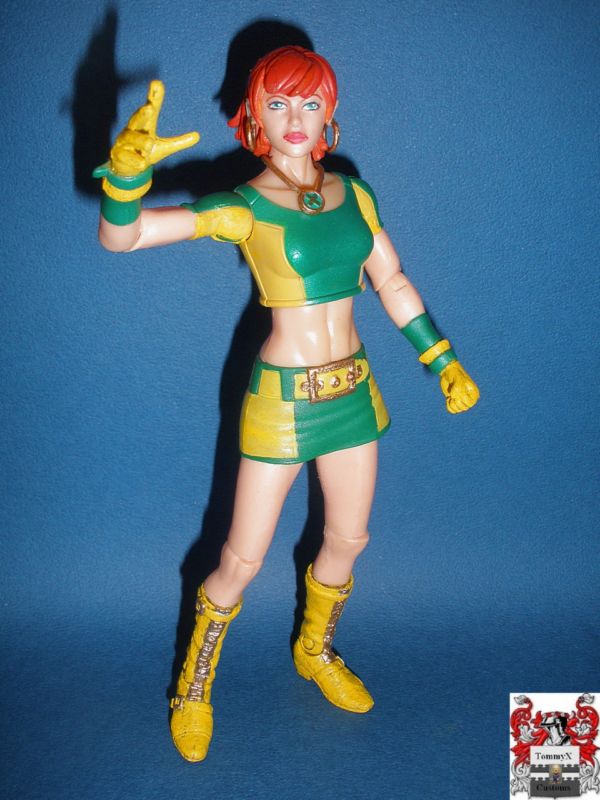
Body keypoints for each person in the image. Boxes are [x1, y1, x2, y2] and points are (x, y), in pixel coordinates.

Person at [95, 46, 479, 762]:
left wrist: (442, 359)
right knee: (241, 558)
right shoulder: (243, 206)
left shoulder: (355, 194)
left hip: (353, 389)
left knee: (349, 540)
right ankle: (194, 686)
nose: (295, 117)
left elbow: (392, 280)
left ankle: (315, 650)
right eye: (277, 103)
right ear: (254, 116)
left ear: (330, 110)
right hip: (281, 401)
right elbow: (127, 236)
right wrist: (124, 178)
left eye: (309, 101)